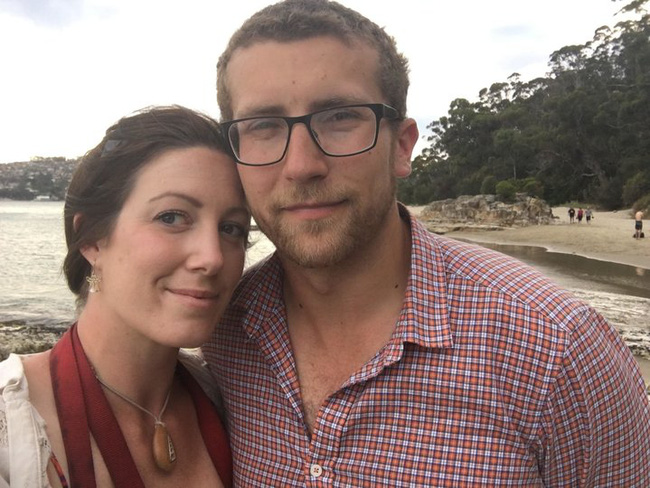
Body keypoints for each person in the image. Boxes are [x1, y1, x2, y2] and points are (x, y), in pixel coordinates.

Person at [202, 1, 650, 485]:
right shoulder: (221, 332)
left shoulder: (557, 352)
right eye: (263, 127)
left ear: (401, 146)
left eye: (340, 117)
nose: (302, 165)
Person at [0, 106, 249, 487]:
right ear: (91, 240)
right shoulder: (13, 428)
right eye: (171, 217)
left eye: (231, 228)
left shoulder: (231, 399)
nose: (213, 257)